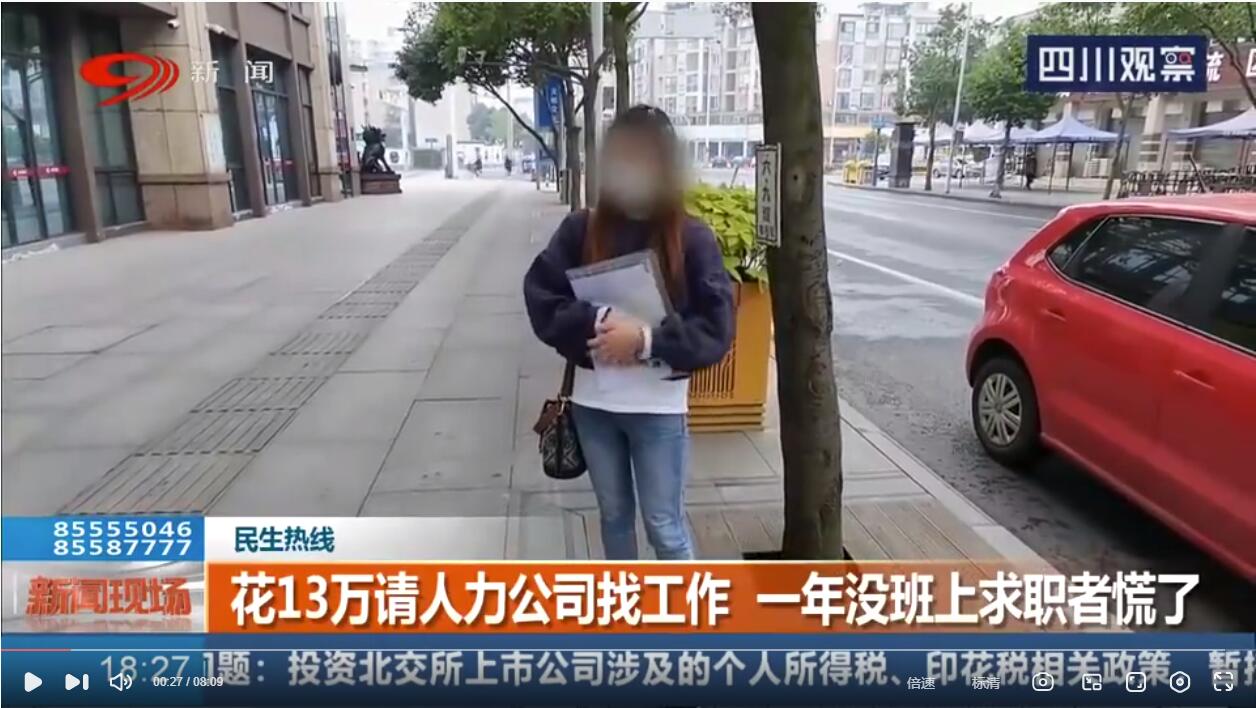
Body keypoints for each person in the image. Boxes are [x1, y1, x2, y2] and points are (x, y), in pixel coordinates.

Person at [523, 105, 735, 560]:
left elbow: (716, 329)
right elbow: (542, 296)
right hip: (594, 406)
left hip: (658, 410)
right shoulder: (581, 229)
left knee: (665, 526)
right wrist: (595, 321)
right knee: (614, 518)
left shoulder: (692, 238)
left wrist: (645, 341)